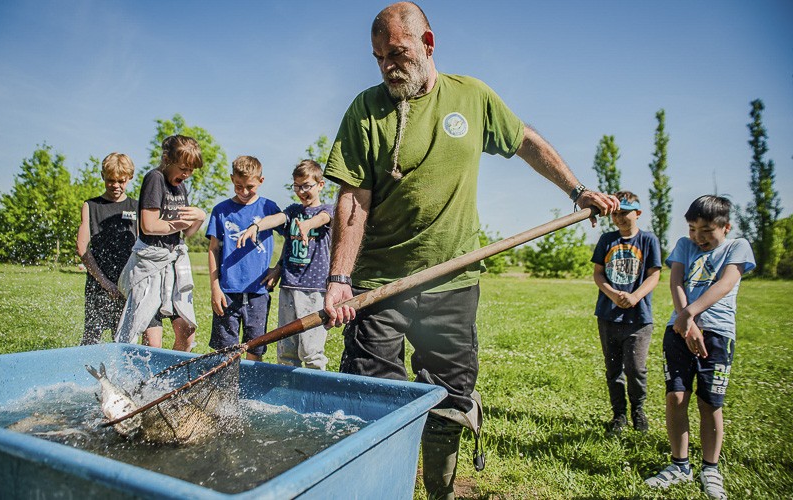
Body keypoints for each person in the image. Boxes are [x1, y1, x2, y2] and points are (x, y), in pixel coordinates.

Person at [321, 3, 619, 498]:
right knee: (372, 398)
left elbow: (525, 141)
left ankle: (437, 490)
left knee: (450, 401)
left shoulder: (472, 97)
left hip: (451, 284)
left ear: (427, 44)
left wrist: (576, 190)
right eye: (378, 58)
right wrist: (338, 279)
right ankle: (380, 488)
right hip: (378, 285)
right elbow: (353, 198)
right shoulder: (365, 110)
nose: (387, 66)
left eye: (397, 53)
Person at [645, 195, 755, 499]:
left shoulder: (737, 247)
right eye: (693, 228)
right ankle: (680, 466)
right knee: (676, 396)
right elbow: (676, 282)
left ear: (725, 226)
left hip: (717, 334)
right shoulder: (684, 244)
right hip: (678, 330)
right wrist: (686, 322)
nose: (698, 237)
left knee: (710, 403)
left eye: (706, 230)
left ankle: (710, 468)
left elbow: (726, 283)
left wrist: (691, 314)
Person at [237, 159, 334, 369]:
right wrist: (257, 226)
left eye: (306, 185)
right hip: (289, 286)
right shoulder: (292, 211)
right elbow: (277, 218)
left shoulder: (327, 210)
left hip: (314, 289)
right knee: (287, 350)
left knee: (310, 350)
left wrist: (308, 224)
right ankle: (287, 393)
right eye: (297, 186)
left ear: (320, 184)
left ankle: (314, 394)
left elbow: (323, 219)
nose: (301, 191)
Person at [115, 135, 207, 351]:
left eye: (191, 170)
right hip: (151, 263)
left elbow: (187, 233)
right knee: (151, 341)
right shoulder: (155, 178)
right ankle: (145, 381)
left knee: (186, 330)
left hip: (173, 263)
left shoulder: (181, 188)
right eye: (183, 168)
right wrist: (179, 224)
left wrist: (201, 217)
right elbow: (149, 225)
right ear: (167, 158)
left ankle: (172, 378)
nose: (186, 174)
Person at [591, 191, 661, 434]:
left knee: (635, 368)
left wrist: (634, 296)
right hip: (608, 315)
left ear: (638, 213)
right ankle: (618, 415)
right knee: (613, 368)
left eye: (625, 213)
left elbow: (654, 274)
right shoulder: (607, 240)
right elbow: (598, 273)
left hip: (638, 317)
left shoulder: (648, 240)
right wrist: (612, 294)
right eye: (616, 214)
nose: (619, 218)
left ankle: (638, 410)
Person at [206, 155, 281, 361]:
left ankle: (249, 391)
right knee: (225, 353)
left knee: (255, 349)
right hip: (227, 292)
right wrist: (215, 287)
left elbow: (291, 238)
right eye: (238, 186)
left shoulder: (269, 208)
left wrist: (278, 268)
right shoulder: (220, 211)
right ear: (231, 179)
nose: (244, 192)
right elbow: (213, 249)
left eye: (250, 186)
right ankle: (225, 391)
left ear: (261, 181)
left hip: (258, 292)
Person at [76, 152, 139, 345]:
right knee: (91, 338)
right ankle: (81, 373)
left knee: (123, 341)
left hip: (127, 284)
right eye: (111, 180)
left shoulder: (136, 207)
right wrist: (105, 283)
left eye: (121, 181)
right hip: (98, 281)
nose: (116, 186)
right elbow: (82, 248)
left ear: (129, 178)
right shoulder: (91, 206)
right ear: (103, 176)